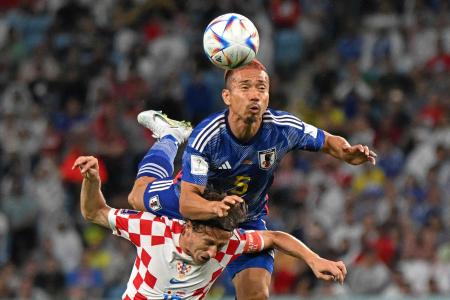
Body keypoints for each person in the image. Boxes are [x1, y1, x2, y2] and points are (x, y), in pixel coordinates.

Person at [136, 59, 374, 300]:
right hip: (201, 207)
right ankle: (170, 136)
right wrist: (214, 207)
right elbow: (188, 203)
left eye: (261, 88)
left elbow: (327, 140)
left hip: (246, 218)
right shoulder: (207, 137)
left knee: (256, 296)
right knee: (136, 196)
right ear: (227, 96)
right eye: (245, 87)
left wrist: (345, 151)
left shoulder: (281, 128)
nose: (254, 95)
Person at [74, 155, 347, 300]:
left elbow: (274, 237)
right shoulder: (152, 229)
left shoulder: (228, 244)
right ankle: (167, 138)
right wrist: (92, 179)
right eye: (209, 243)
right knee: (140, 194)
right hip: (171, 193)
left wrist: (315, 259)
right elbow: (95, 212)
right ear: (189, 228)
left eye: (218, 244)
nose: (214, 251)